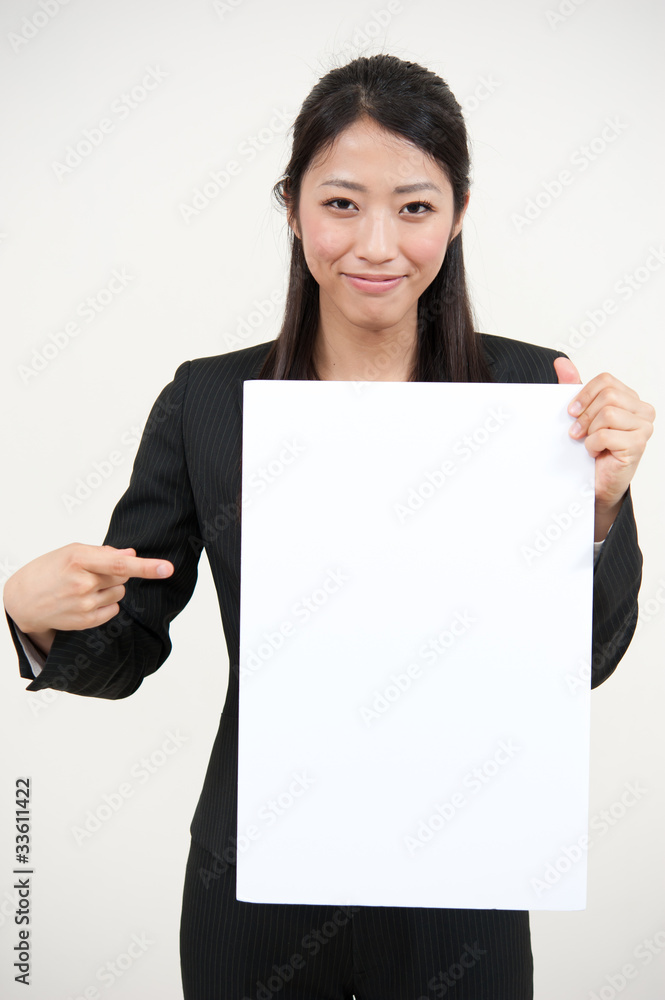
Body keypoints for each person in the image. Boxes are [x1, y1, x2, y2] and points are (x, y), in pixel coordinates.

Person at [3, 53, 655, 999]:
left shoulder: (533, 393)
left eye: (416, 207)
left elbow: (587, 659)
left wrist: (598, 508)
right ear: (292, 207)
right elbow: (130, 645)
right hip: (252, 884)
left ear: (460, 211)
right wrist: (33, 616)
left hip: (461, 883)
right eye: (341, 203)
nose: (377, 244)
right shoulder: (210, 402)